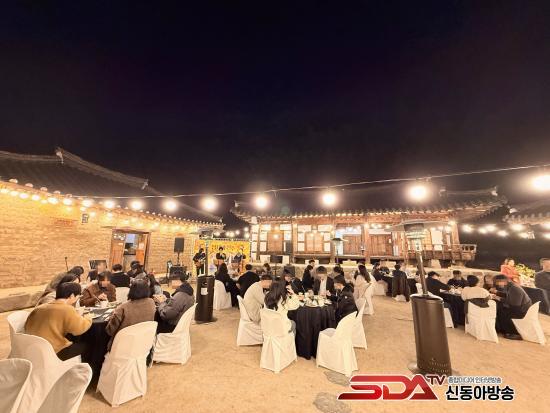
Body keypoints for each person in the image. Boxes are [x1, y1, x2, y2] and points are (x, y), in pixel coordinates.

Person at [25, 282, 92, 360]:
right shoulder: (67, 309)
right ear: (72, 295)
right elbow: (79, 329)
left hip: (31, 349)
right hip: (54, 351)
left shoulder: (38, 308)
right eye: (78, 296)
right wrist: (88, 318)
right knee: (89, 345)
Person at [105, 280, 156, 350]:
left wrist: (112, 316)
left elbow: (110, 331)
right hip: (144, 344)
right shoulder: (151, 302)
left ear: (131, 290)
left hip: (122, 346)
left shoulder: (123, 308)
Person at [491, 274, 532, 339]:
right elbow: (509, 296)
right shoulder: (511, 286)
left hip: (522, 310)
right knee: (500, 309)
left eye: (497, 282)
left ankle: (515, 333)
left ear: (503, 281)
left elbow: (514, 304)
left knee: (502, 312)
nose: (497, 284)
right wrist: (497, 293)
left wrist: (499, 298)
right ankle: (504, 329)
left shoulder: (514, 288)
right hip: (520, 307)